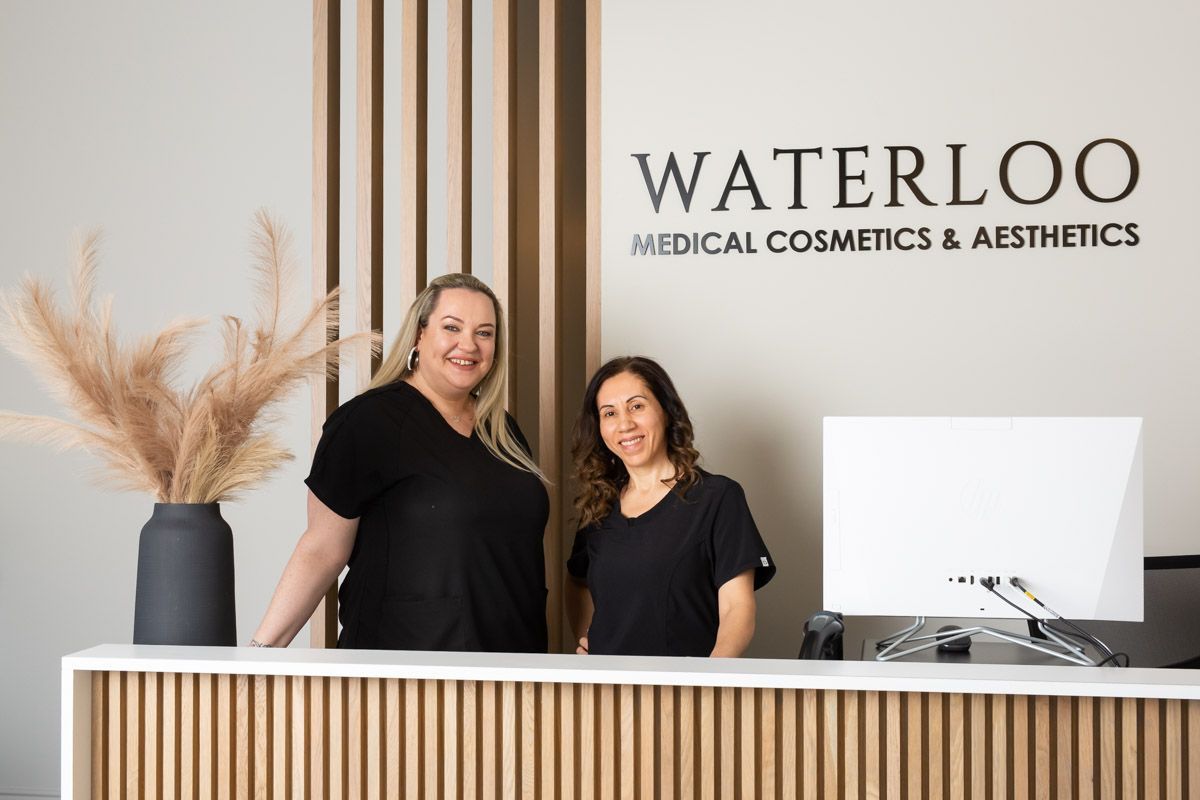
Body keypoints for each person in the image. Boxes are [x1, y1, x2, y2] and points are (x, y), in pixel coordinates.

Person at [251, 273, 549, 652]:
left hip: (515, 669)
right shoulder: (367, 423)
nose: (468, 344)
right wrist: (260, 655)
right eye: (452, 327)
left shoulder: (503, 430)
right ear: (420, 335)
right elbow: (321, 549)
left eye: (484, 333)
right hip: (404, 673)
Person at [564, 356, 776, 657]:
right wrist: (589, 640)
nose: (624, 424)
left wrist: (708, 681)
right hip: (606, 694)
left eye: (636, 406)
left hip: (684, 693)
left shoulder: (717, 498)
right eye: (609, 413)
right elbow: (577, 581)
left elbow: (737, 608)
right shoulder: (599, 506)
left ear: (666, 410)